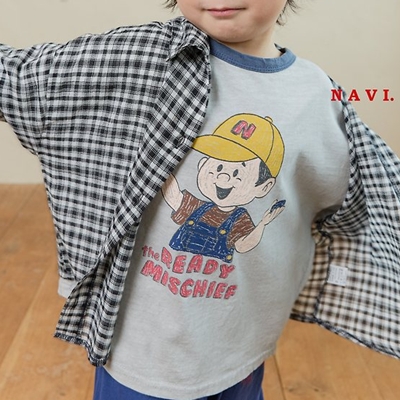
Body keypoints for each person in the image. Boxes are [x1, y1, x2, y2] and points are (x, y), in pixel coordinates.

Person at [1, 1, 399, 399]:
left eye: (238, 171)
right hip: (144, 352)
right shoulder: (139, 62)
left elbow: (364, 197)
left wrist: (267, 223)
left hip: (240, 342)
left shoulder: (318, 95)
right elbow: (24, 81)